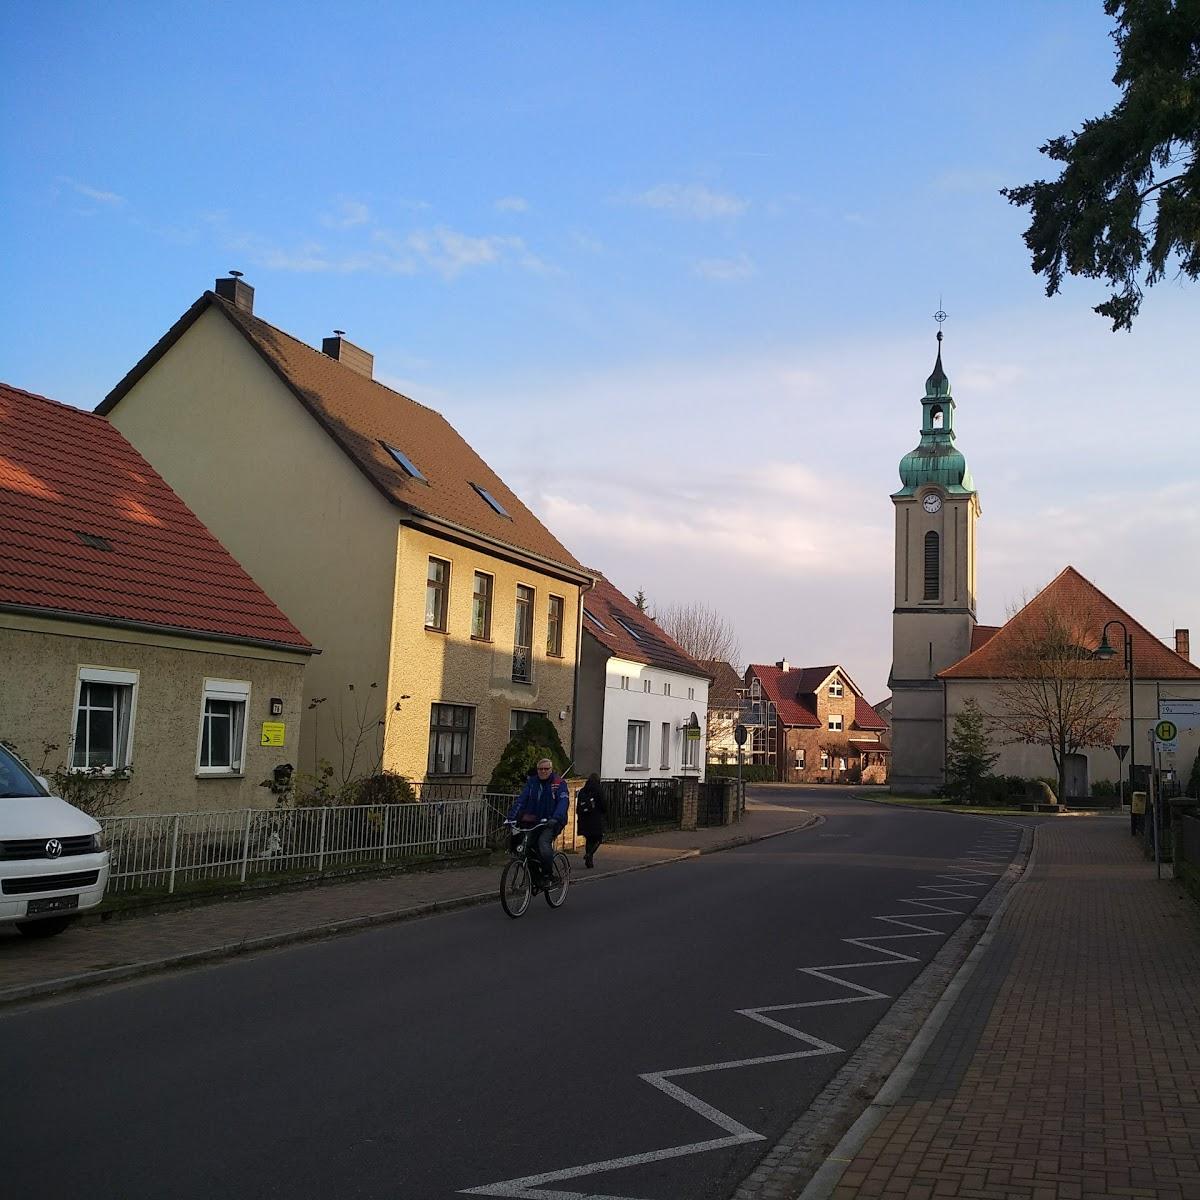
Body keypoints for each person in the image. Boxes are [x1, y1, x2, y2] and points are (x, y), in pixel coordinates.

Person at [507, 758, 569, 888]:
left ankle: (548, 875)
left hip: (552, 821)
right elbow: (522, 800)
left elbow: (563, 802)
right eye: (540, 769)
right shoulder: (532, 783)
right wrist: (512, 817)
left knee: (543, 842)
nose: (543, 771)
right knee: (527, 846)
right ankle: (536, 878)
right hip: (534, 821)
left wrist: (556, 817)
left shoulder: (558, 783)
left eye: (546, 769)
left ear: (551, 770)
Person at [575, 773, 606, 868]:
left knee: (589, 839)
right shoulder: (599, 790)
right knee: (599, 839)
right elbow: (603, 805)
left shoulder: (583, 790)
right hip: (595, 818)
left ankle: (589, 861)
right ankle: (589, 854)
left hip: (584, 819)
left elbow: (578, 806)